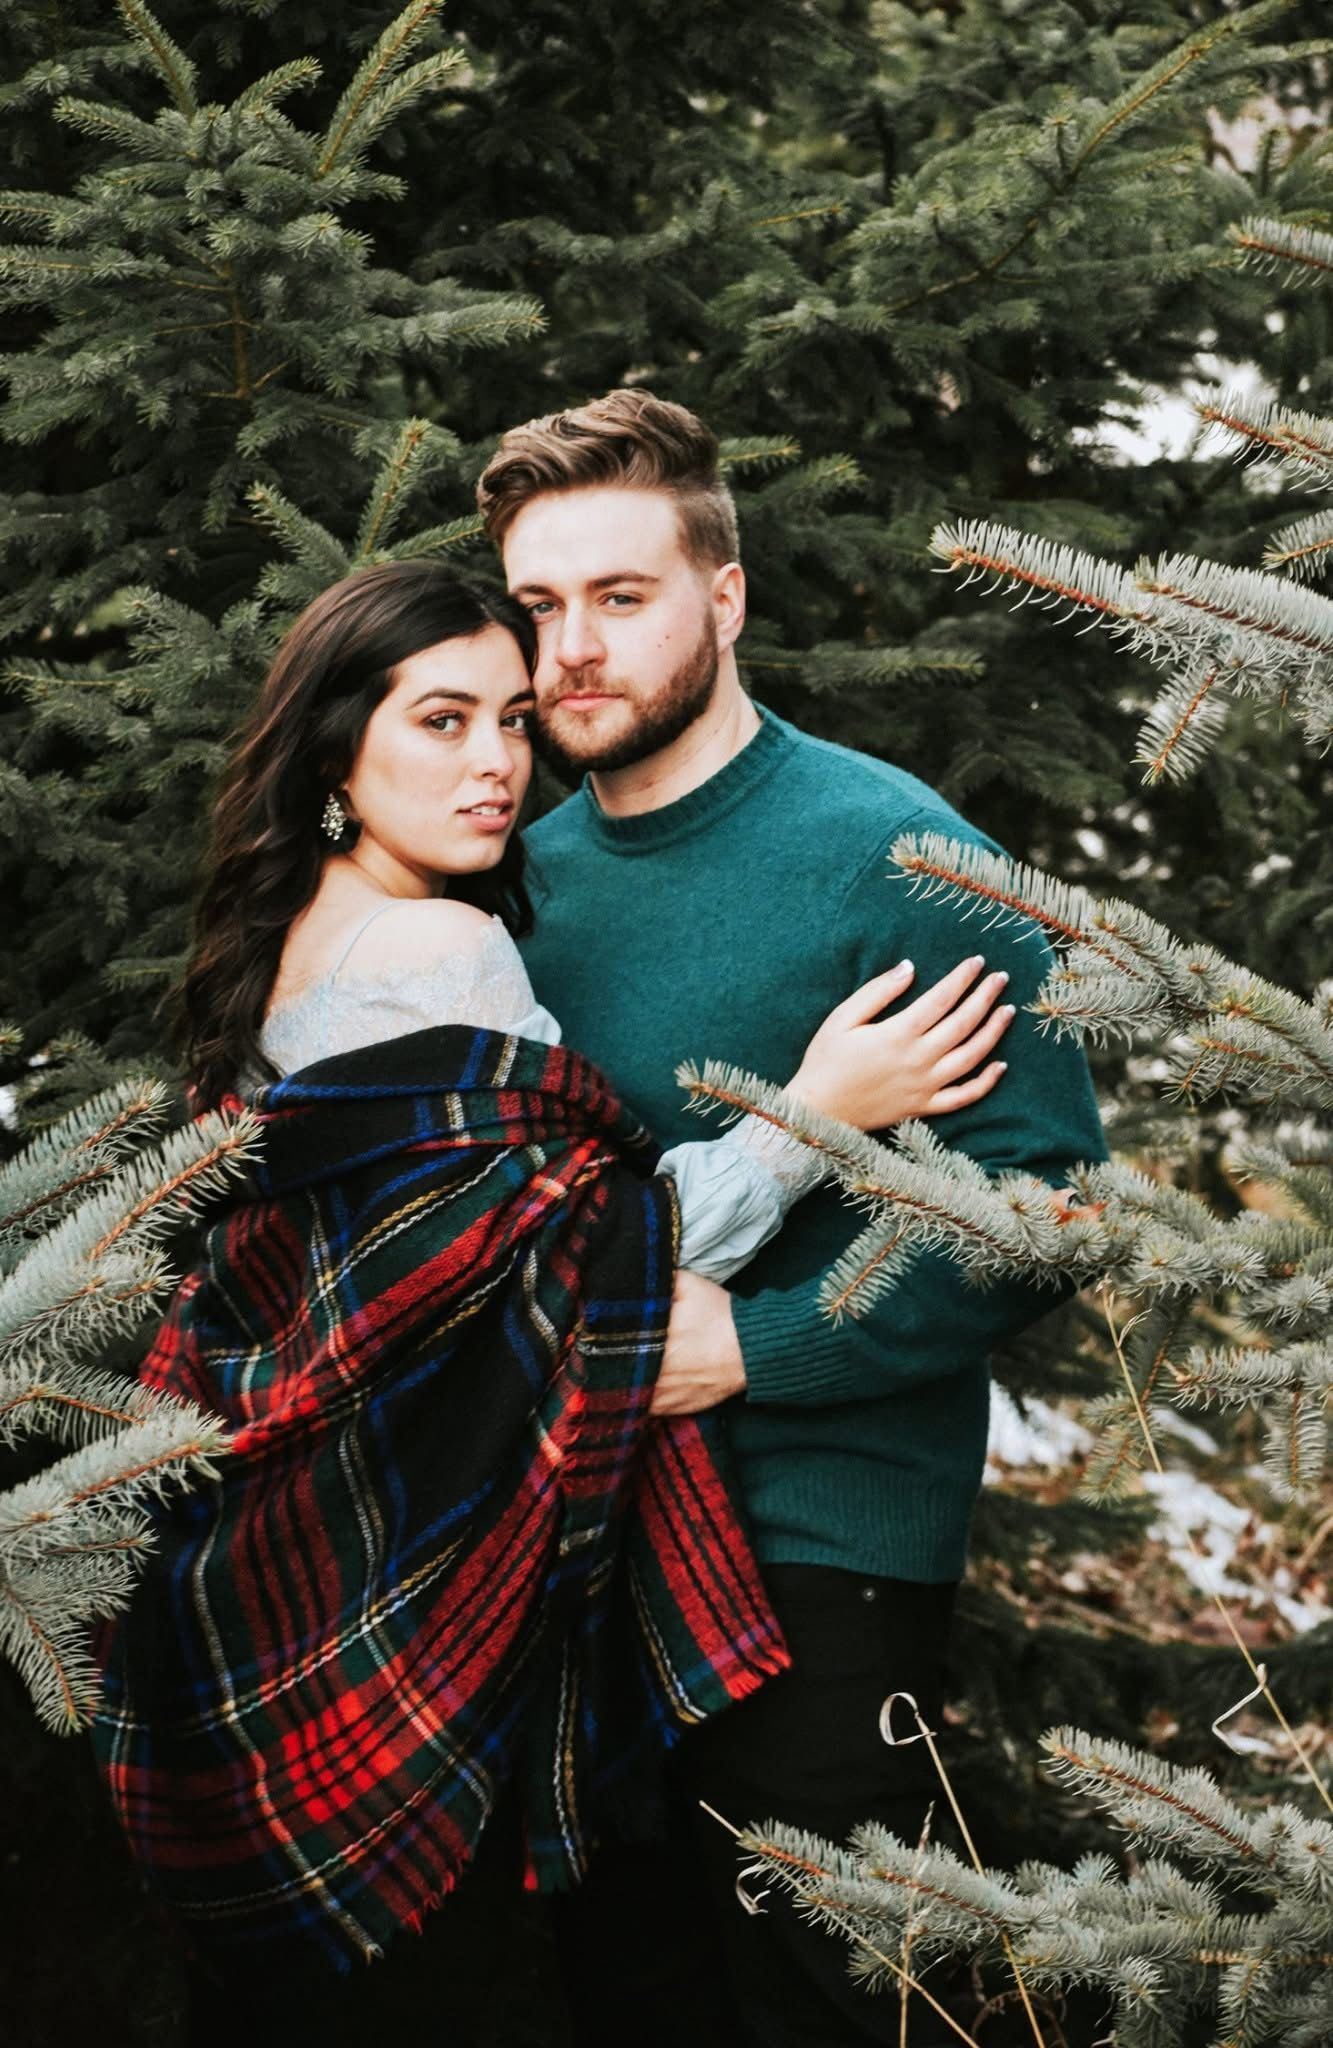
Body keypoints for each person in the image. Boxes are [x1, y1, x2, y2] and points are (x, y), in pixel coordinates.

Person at [89, 561, 1015, 2044]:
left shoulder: (280, 943)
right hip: (419, 1555)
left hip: (273, 1547)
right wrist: (814, 1113)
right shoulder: (441, 947)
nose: (496, 765)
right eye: (441, 720)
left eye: (513, 722)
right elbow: (592, 1272)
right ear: (338, 745)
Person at [476, 389, 1110, 2047]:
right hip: (576, 1555)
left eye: (621, 597)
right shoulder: (517, 894)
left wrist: (747, 1352)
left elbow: (1044, 1208)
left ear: (725, 595)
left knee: (830, 2008)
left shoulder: (893, 856)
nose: (573, 652)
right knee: (624, 2003)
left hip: (819, 1563)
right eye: (539, 607)